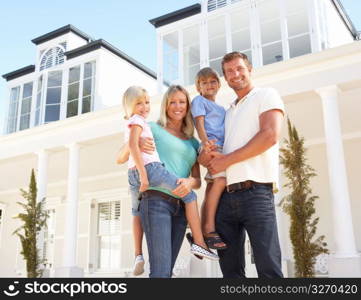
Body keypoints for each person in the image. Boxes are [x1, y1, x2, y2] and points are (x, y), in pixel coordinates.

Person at [118, 85, 218, 278]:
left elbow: (197, 179)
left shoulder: (193, 143)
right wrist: (135, 144)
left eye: (182, 102)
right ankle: (198, 243)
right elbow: (120, 158)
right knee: (161, 272)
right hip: (157, 202)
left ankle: (198, 244)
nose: (177, 106)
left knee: (167, 272)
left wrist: (190, 182)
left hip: (180, 208)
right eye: (172, 102)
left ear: (188, 106)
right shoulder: (152, 127)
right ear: (165, 105)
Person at [200, 52, 285, 278]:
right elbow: (213, 156)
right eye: (229, 71)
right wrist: (204, 156)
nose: (235, 74)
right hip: (225, 198)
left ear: (250, 70)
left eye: (239, 69)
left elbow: (270, 135)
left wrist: (226, 160)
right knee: (230, 272)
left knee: (268, 267)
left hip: (256, 192)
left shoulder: (266, 95)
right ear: (225, 78)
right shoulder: (226, 113)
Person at [190, 67, 227, 250]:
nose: (209, 85)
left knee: (213, 185)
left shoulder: (221, 108)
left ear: (219, 84)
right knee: (220, 181)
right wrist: (205, 143)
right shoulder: (199, 101)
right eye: (204, 83)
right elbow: (199, 122)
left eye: (213, 81)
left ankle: (202, 232)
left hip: (222, 146)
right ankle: (209, 228)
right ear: (199, 87)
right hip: (211, 145)